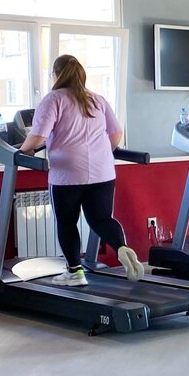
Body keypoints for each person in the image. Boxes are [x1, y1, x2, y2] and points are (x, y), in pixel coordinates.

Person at [19, 54, 143, 286]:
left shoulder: (53, 99)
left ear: (56, 75)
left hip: (67, 174)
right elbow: (116, 133)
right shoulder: (97, 99)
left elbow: (37, 137)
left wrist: (23, 150)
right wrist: (101, 152)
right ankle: (122, 247)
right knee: (101, 219)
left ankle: (75, 272)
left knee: (67, 222)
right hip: (102, 172)